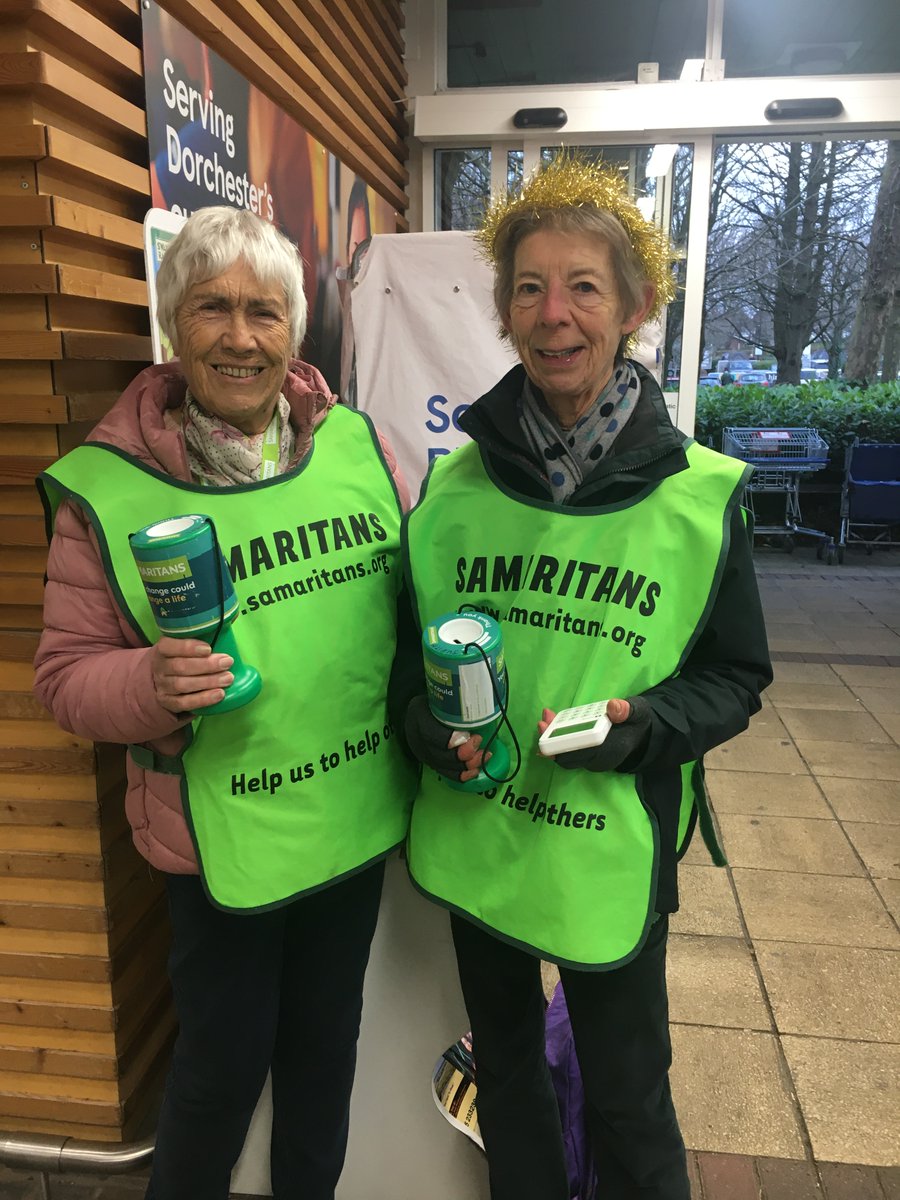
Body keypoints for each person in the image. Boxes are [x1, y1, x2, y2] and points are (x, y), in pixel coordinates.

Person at [402, 157, 772, 1200]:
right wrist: (430, 733)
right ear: (503, 309)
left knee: (626, 1097)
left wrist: (649, 721)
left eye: (584, 286)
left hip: (609, 848)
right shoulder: (452, 485)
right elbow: (405, 670)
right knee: (508, 1079)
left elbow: (736, 676)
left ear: (638, 308)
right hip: (484, 839)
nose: (553, 315)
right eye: (529, 287)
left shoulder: (700, 497)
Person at [33, 206, 415, 1200]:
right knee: (218, 1075)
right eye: (212, 309)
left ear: (295, 329)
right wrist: (150, 685)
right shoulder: (108, 489)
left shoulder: (362, 452)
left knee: (326, 1058)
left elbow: (415, 611)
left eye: (263, 311)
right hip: (217, 842)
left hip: (348, 823)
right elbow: (65, 678)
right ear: (172, 322)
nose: (240, 338)